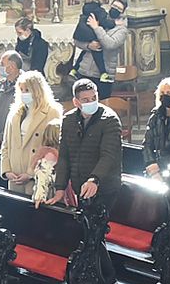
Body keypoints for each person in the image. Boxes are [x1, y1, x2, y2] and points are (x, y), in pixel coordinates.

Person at [53, 79, 123, 212]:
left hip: (105, 187)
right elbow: (64, 156)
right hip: (80, 186)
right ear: (76, 102)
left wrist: (94, 179)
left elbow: (108, 155)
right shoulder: (68, 120)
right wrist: (60, 187)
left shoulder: (109, 120)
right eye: (85, 100)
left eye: (94, 98)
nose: (91, 102)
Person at [0, 69, 62, 199]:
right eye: (21, 90)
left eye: (27, 90)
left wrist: (30, 173)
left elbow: (54, 147)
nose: (24, 94)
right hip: (14, 176)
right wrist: (7, 170)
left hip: (36, 178)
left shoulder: (52, 112)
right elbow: (6, 145)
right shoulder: (14, 113)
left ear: (37, 90)